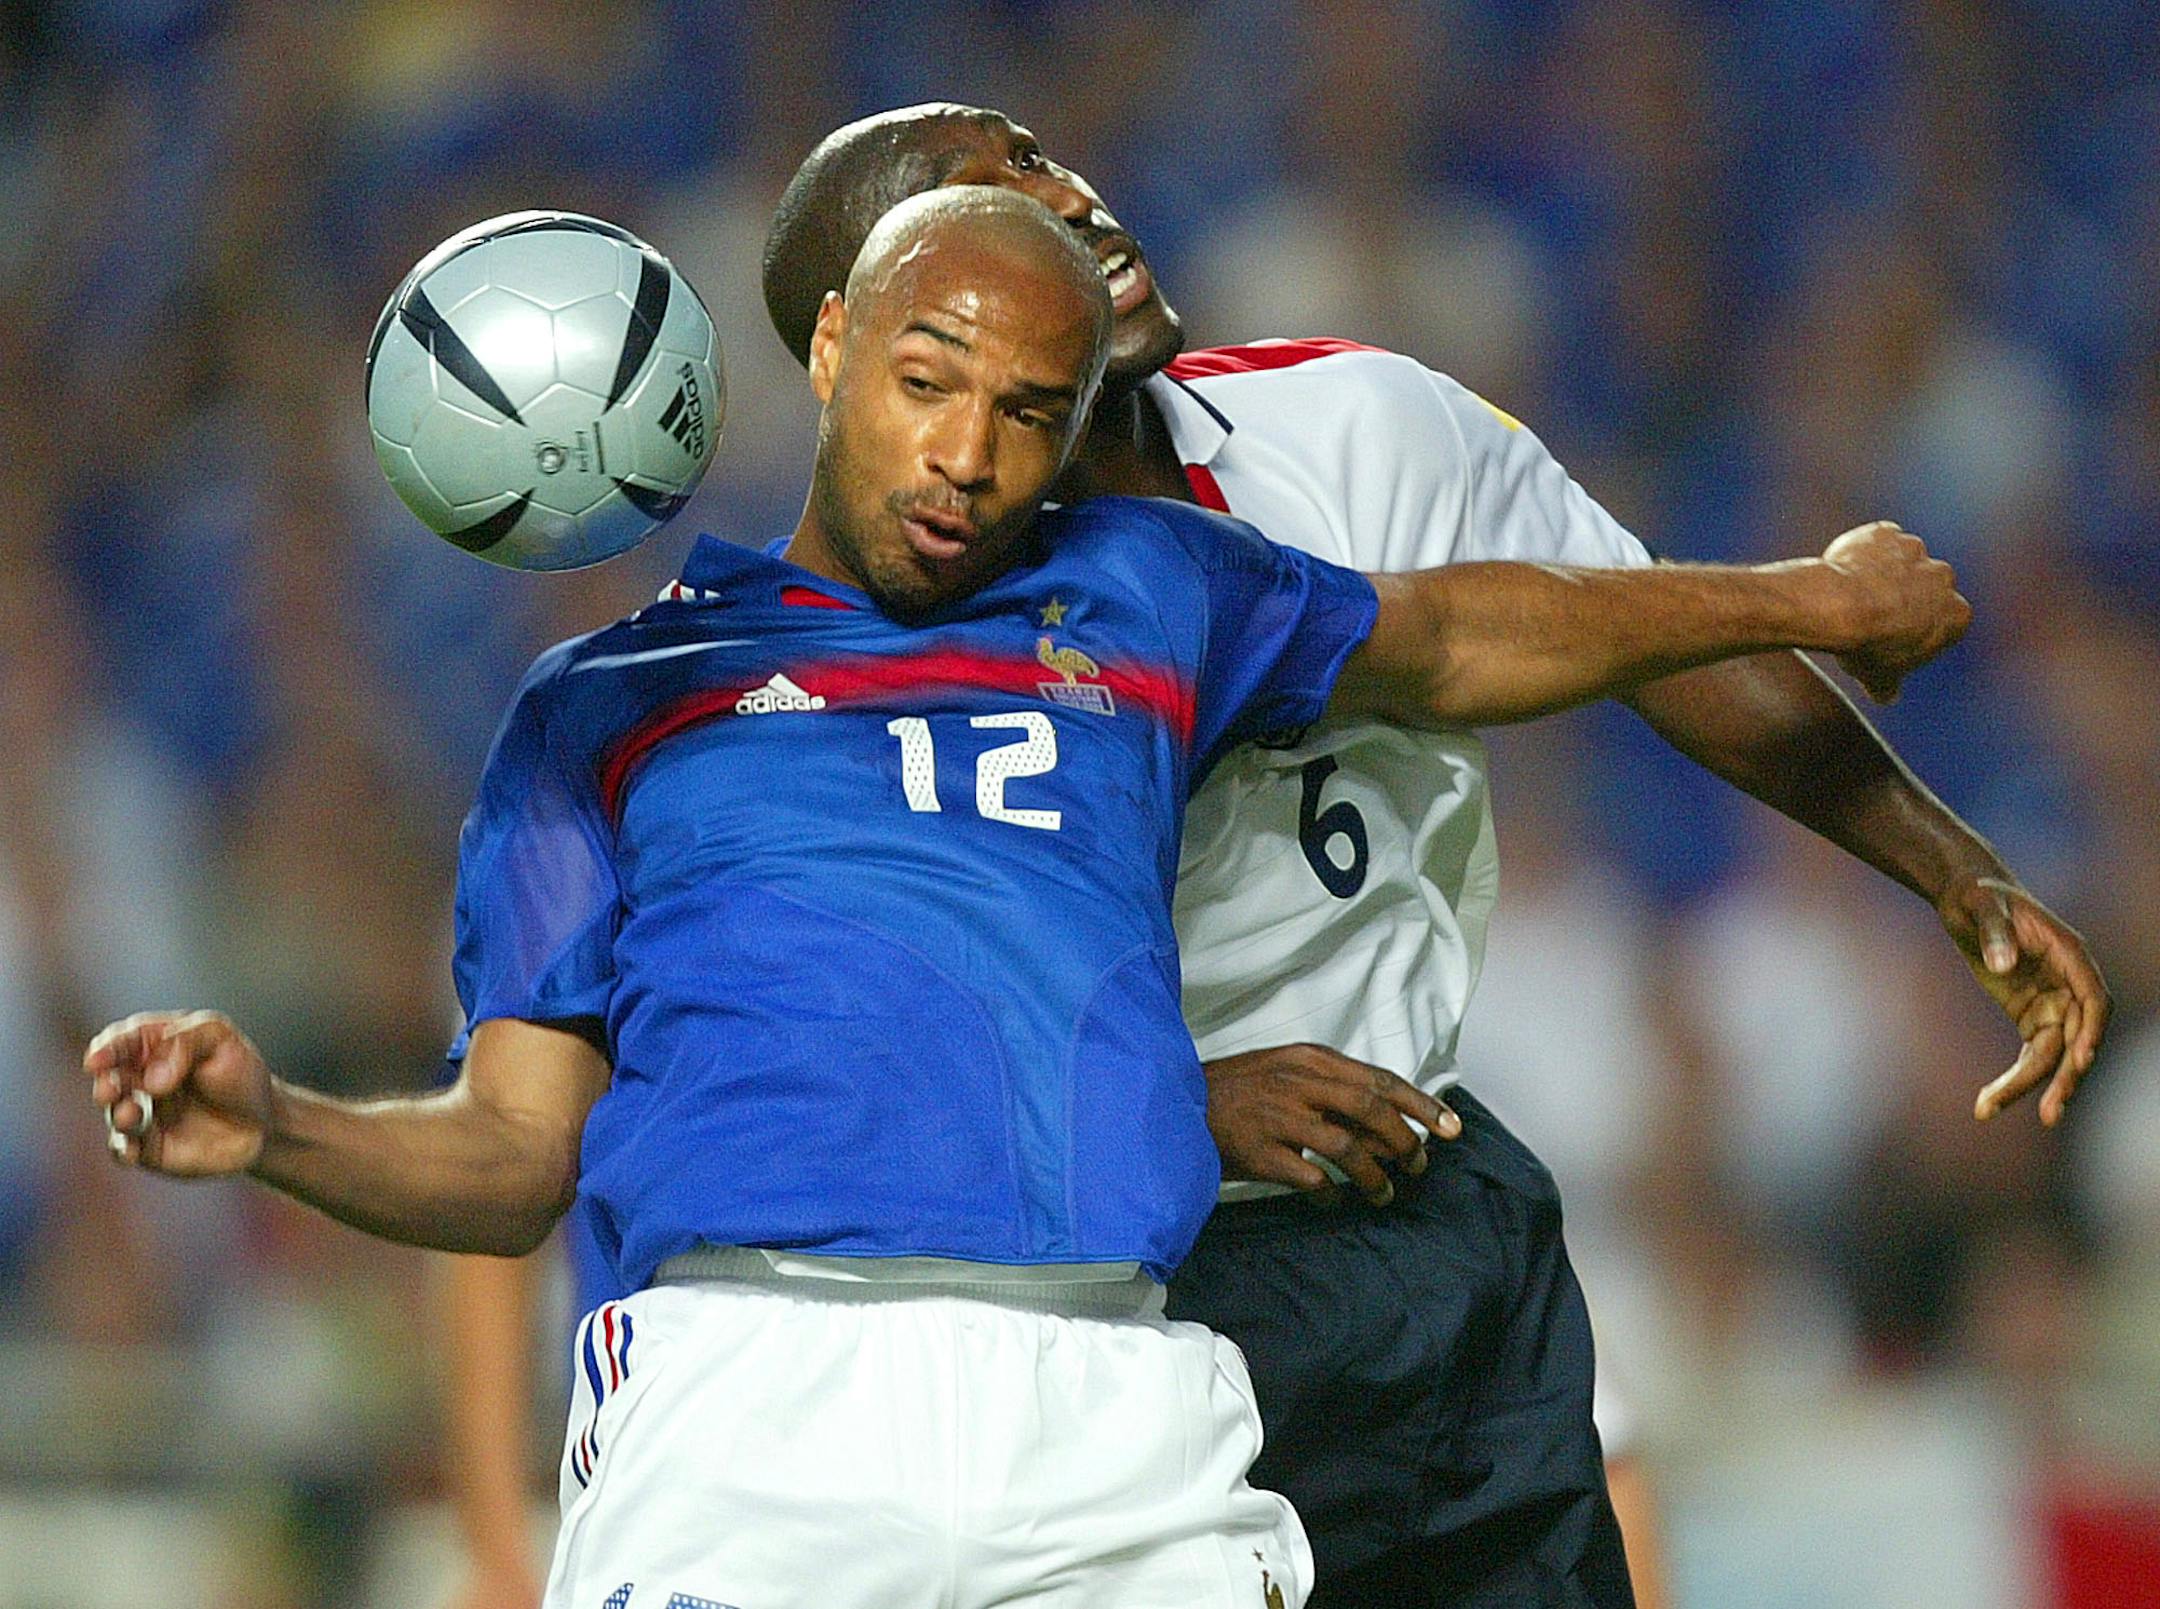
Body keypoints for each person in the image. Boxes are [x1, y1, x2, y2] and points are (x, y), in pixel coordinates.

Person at [89, 187, 1972, 1609]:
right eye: (924, 384)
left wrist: (1803, 596)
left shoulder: (1155, 600)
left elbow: (1469, 623)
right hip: (753, 1404)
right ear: (827, 352)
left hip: (1115, 1400)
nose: (967, 453)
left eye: (1025, 411)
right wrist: (281, 1130)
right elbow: (512, 1154)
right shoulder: (610, 709)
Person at [748, 105, 2113, 1609]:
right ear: (868, 344)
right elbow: (854, 1066)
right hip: (1129, 1293)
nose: (1061, 201)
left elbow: (1621, 621)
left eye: (1035, 158)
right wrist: (1187, 1103)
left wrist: (1945, 866)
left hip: (1433, 1210)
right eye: (980, 207)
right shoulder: (869, 670)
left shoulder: (1357, 421)